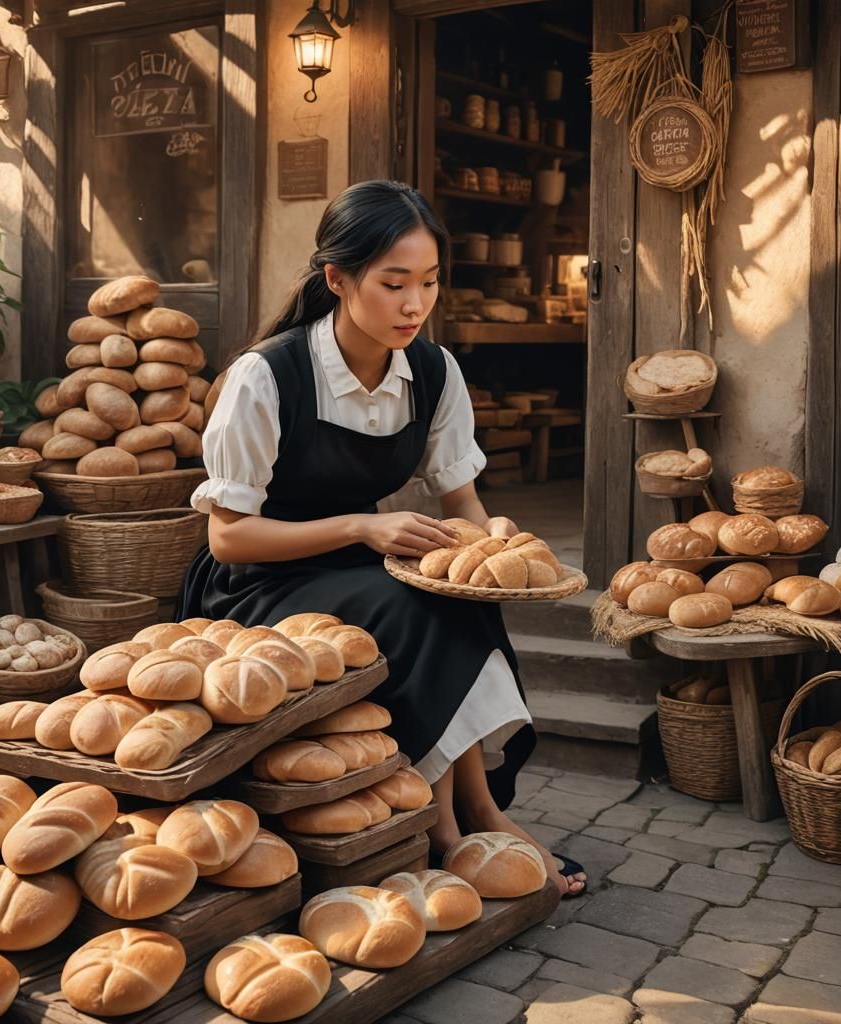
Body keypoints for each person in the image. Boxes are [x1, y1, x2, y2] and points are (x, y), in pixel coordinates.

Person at [178, 180, 586, 898]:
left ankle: (477, 809)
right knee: (412, 607)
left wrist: (490, 535)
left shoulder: (433, 371)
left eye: (428, 283)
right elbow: (229, 539)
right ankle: (448, 826)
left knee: (458, 596)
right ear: (337, 279)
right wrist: (364, 526)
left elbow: (459, 496)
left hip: (359, 565)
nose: (414, 305)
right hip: (258, 582)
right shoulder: (266, 376)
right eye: (393, 283)